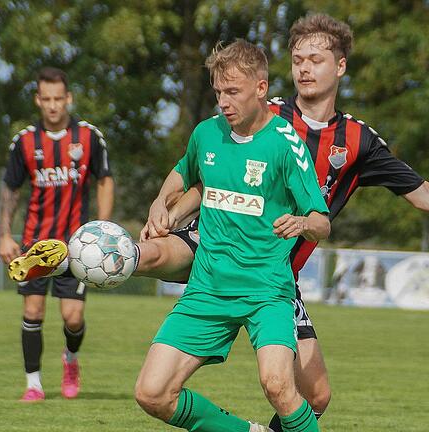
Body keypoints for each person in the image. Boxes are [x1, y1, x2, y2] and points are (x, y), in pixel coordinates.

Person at [16, 13, 429, 428]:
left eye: (316, 58)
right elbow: (204, 173)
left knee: (315, 396)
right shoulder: (259, 111)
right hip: (219, 245)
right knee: (152, 253)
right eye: (297, 57)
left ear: (340, 67)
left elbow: (425, 193)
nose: (304, 67)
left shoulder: (357, 141)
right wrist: (170, 203)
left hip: (274, 275)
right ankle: (73, 253)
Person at [135, 39, 329, 432]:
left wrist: (303, 223)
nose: (223, 101)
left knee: (278, 386)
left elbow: (322, 221)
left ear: (260, 89)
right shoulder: (206, 134)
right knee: (151, 393)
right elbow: (183, 174)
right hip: (207, 289)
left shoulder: (286, 143)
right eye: (219, 91)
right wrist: (160, 200)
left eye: (233, 91)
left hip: (267, 291)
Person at [0, 67, 115, 402]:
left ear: (69, 98)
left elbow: (105, 179)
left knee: (73, 317)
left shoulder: (89, 137)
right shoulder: (24, 142)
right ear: (38, 100)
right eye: (46, 99)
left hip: (75, 246)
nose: (52, 106)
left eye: (58, 99)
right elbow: (10, 190)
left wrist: (102, 228)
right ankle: (33, 384)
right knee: (32, 312)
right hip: (35, 244)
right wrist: (5, 235)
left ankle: (70, 359)